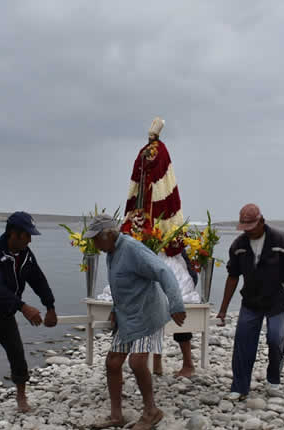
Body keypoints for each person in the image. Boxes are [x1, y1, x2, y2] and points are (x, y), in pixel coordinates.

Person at [86, 214, 186, 430]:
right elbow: (122, 283)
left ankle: (152, 411)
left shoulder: (133, 249)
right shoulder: (111, 253)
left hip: (147, 314)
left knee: (137, 362)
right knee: (113, 363)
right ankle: (116, 416)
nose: (94, 244)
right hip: (127, 316)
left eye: (95, 239)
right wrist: (115, 308)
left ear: (108, 234)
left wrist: (176, 305)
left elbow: (164, 272)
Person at [119, 116, 198, 377]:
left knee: (175, 297)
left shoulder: (161, 158)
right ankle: (157, 362)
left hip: (164, 245)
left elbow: (164, 190)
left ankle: (187, 363)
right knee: (148, 306)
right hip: (145, 235)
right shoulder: (146, 156)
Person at [0, 211, 58, 419]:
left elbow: (38, 280)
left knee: (17, 351)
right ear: (14, 234)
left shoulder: (25, 255)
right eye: (27, 235)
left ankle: (21, 397)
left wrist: (50, 306)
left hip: (5, 311)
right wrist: (23, 307)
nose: (30, 240)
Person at [216, 204, 284, 400]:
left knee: (277, 338)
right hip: (251, 301)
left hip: (278, 300)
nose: (248, 231)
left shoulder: (281, 240)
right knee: (243, 341)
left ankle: (273, 379)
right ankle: (239, 387)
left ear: (261, 221)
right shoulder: (238, 246)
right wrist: (223, 310)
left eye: (251, 227)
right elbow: (233, 276)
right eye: (244, 228)